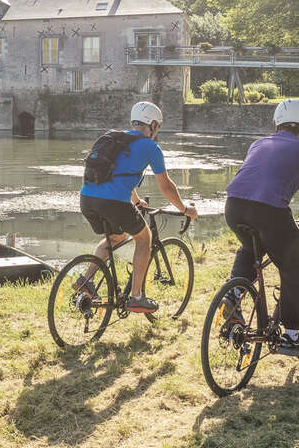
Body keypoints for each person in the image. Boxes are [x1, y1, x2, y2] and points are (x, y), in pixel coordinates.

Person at [79, 101, 198, 313]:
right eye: (158, 127)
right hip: (113, 202)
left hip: (87, 198)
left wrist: (135, 201)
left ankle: (86, 280)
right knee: (144, 239)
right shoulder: (151, 147)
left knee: (115, 237)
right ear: (152, 125)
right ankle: (136, 297)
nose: (157, 132)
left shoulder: (114, 137)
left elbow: (117, 174)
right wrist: (184, 209)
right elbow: (166, 186)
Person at [223, 99, 299, 354]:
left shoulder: (260, 142)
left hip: (233, 206)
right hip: (269, 211)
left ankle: (233, 293)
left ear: (276, 124)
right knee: (293, 267)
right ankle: (291, 335)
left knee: (251, 245)